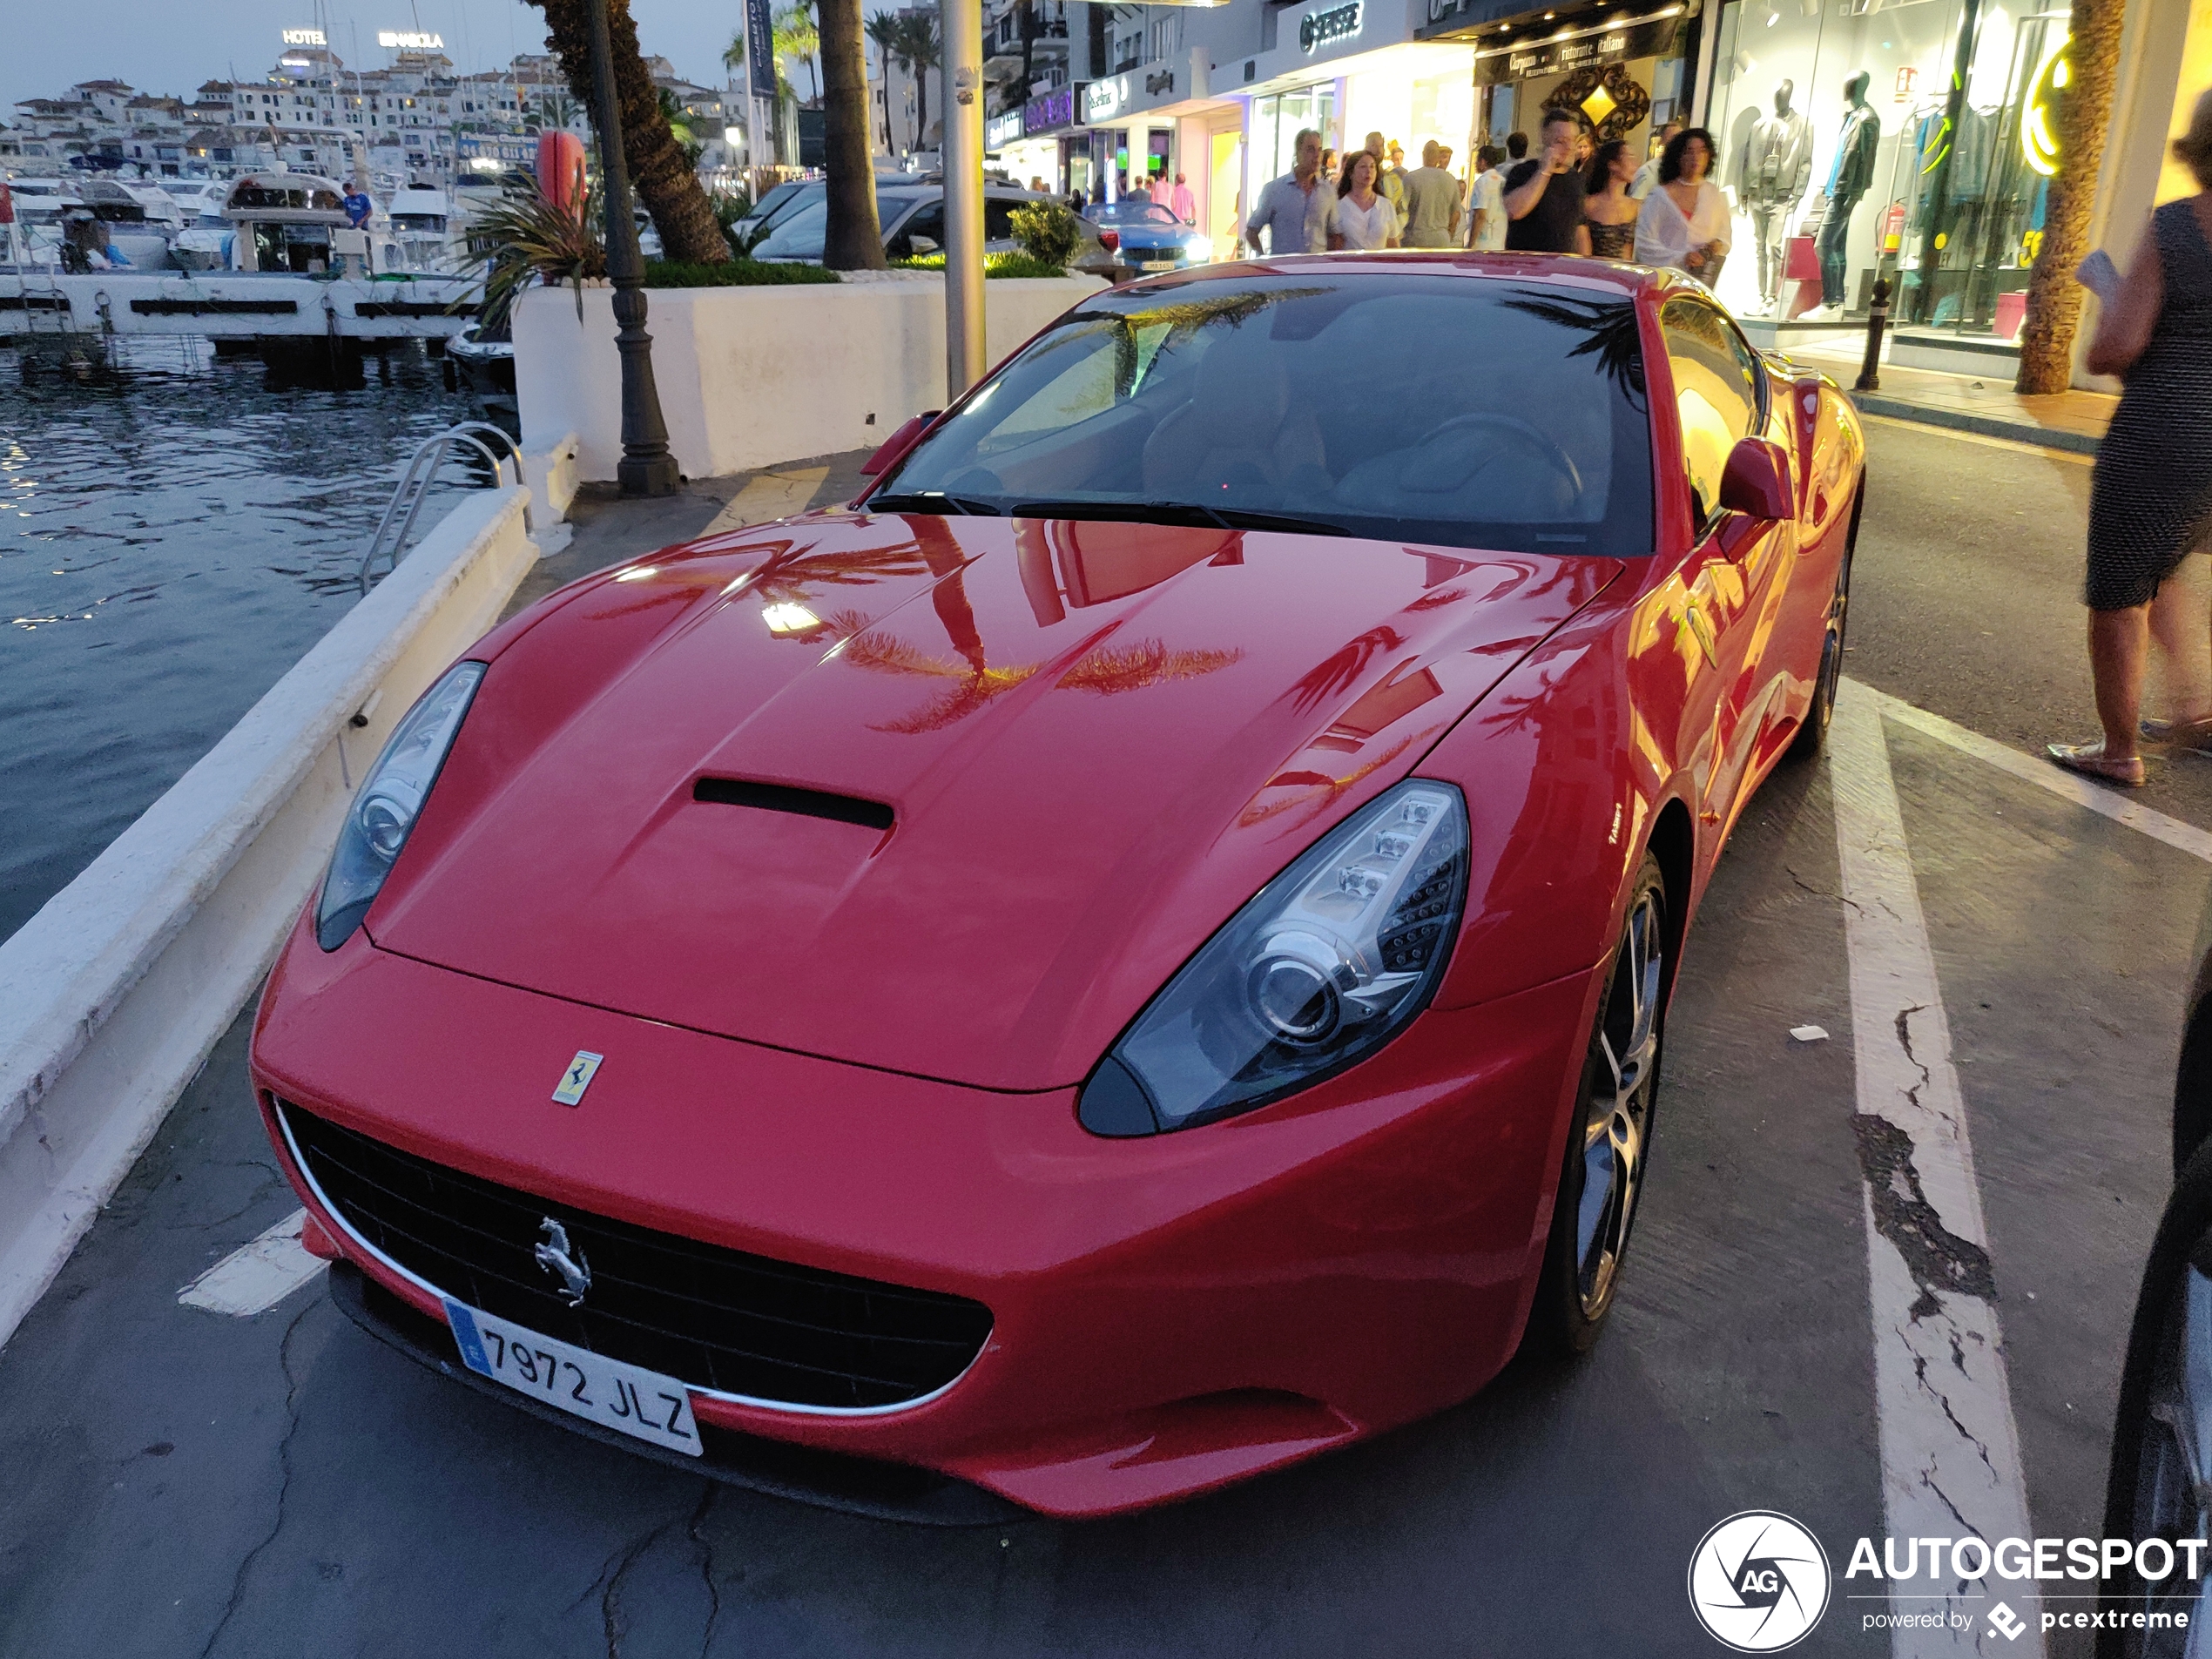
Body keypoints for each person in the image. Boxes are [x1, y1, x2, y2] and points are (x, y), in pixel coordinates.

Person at [2047, 89, 2212, 786]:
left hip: (2162, 440)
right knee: (2164, 559)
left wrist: (2111, 289)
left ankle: (2118, 752)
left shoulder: (2177, 228)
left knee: (2121, 590)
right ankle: (2196, 707)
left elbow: (2114, 347)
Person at [1634, 125, 1730, 281]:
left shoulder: (1714, 194)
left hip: (1702, 281)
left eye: (1702, 151)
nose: (1696, 157)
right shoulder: (1659, 196)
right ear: (1678, 157)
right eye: (1689, 151)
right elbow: (1644, 242)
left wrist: (1717, 245)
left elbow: (1724, 235)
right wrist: (1680, 258)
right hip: (1664, 280)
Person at [1503, 110, 1589, 254]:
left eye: (1573, 140)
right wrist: (1545, 170)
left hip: (1562, 266)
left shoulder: (1576, 178)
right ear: (1545, 139)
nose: (1568, 147)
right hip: (1526, 265)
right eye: (1560, 141)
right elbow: (1514, 211)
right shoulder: (1523, 172)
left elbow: (1580, 229)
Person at [1244, 127, 1337, 255]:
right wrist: (1265, 260)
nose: (1316, 155)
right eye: (1310, 150)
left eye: (1319, 150)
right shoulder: (1275, 190)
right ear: (1298, 153)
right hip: (1285, 270)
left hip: (1317, 269)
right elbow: (1252, 231)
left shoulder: (1328, 191)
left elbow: (1335, 234)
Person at [1331, 149, 1399, 250]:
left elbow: (1393, 244)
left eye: (1372, 167)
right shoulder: (1339, 206)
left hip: (1380, 264)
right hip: (1351, 264)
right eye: (1363, 167)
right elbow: (1335, 245)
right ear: (1351, 173)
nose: (1369, 171)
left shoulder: (1385, 205)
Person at [1582, 138, 1639, 260]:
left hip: (1628, 274)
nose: (1636, 164)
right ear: (1612, 164)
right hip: (1596, 273)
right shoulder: (1589, 205)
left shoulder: (1638, 207)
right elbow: (1584, 255)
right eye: (1630, 157)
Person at [1400, 139, 1463, 248]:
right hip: (1441, 239)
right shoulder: (1451, 180)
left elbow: (1401, 209)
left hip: (1415, 238)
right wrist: (1449, 234)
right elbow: (1456, 214)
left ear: (1423, 154)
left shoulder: (1410, 178)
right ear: (1438, 156)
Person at [1464, 143, 1507, 251]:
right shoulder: (1503, 181)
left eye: (1476, 161)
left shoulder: (1481, 182)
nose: (1475, 164)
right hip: (1500, 242)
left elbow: (1480, 215)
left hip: (1483, 243)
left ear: (1483, 162)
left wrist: (1471, 244)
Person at [1366, 131, 1409, 235]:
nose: (1378, 149)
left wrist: (1393, 231)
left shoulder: (1391, 180)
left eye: (1381, 146)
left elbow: (1400, 210)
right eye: (1373, 145)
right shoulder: (1357, 176)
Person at [1630, 120, 1681, 199]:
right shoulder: (1648, 171)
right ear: (1662, 142)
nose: (1679, 143)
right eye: (1674, 138)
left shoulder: (1684, 174)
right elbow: (1636, 204)